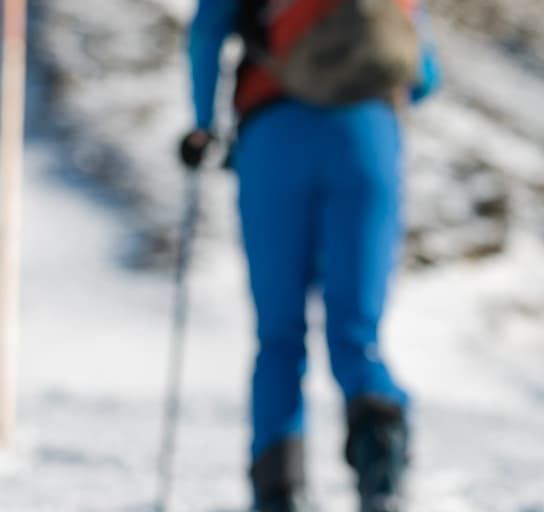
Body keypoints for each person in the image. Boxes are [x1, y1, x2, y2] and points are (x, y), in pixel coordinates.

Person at [178, 0, 439, 510]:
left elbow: (207, 33)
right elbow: (424, 74)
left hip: (274, 135)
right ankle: (381, 466)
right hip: (367, 136)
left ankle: (279, 491)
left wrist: (203, 124)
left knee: (279, 336)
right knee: (357, 331)